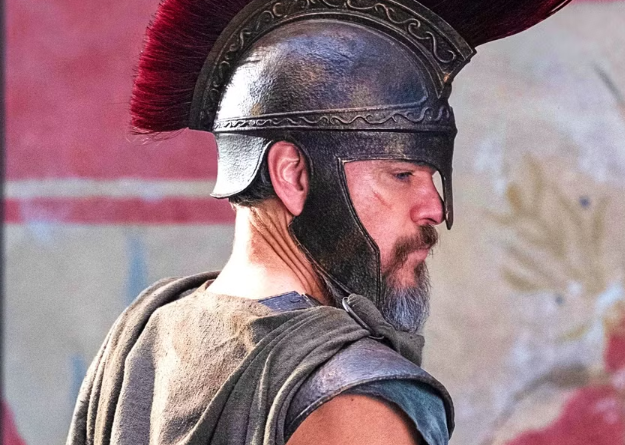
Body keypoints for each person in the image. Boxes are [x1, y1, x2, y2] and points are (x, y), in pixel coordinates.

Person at [68, 0, 572, 444]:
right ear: (293, 174)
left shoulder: (145, 336)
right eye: (401, 174)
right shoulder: (354, 398)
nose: (433, 207)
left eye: (431, 178)